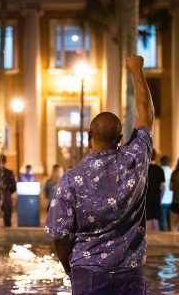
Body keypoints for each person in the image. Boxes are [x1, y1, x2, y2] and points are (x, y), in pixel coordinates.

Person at [45, 55, 153, 295]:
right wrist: (137, 70)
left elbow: (60, 236)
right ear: (119, 139)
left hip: (87, 272)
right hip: (131, 272)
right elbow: (146, 115)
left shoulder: (70, 180)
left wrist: (70, 267)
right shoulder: (135, 160)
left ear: (89, 135)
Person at [0, 154, 17, 227]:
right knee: (7, 221)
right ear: (5, 161)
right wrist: (7, 191)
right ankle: (8, 235)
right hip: (6, 198)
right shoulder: (9, 172)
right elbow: (14, 187)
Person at [146, 150, 165, 231]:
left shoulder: (144, 169)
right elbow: (163, 187)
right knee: (156, 222)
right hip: (156, 199)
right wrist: (160, 198)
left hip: (146, 200)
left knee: (148, 222)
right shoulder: (160, 170)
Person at [160, 155, 173, 231]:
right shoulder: (172, 171)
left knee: (163, 220)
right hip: (171, 199)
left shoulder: (160, 171)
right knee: (170, 221)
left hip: (162, 199)